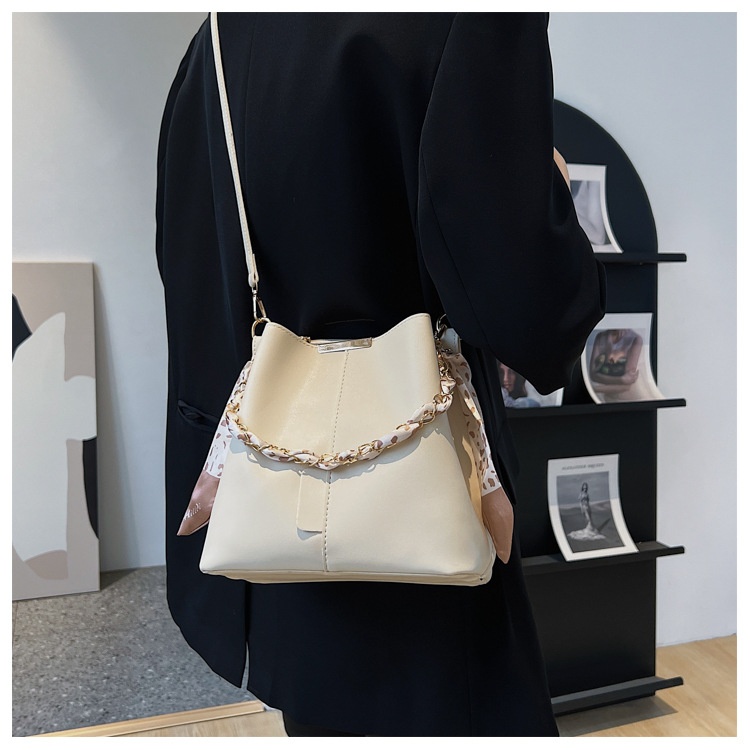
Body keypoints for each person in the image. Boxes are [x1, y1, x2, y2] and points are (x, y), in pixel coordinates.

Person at [156, 12, 606, 737]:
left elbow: (190, 269)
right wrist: (549, 191)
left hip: (273, 495)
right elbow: (533, 309)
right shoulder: (463, 20)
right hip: (424, 506)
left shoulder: (217, 35)